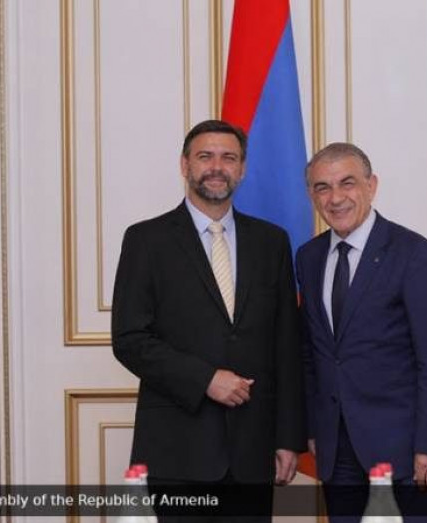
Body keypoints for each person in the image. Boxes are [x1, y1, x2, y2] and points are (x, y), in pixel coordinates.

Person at [111, 120, 306, 522]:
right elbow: (130, 339)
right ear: (185, 165)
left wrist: (288, 438)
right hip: (177, 450)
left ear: (242, 168)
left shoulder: (272, 242)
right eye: (205, 156)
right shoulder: (146, 240)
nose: (217, 167)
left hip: (254, 453)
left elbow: (287, 345)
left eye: (228, 158)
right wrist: (205, 379)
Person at [296, 143, 427, 522]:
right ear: (311, 195)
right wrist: (314, 428)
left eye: (347, 183)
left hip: (407, 452)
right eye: (322, 187)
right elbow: (312, 352)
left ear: (371, 186)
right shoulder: (309, 257)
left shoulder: (413, 253)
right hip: (337, 452)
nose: (335, 198)